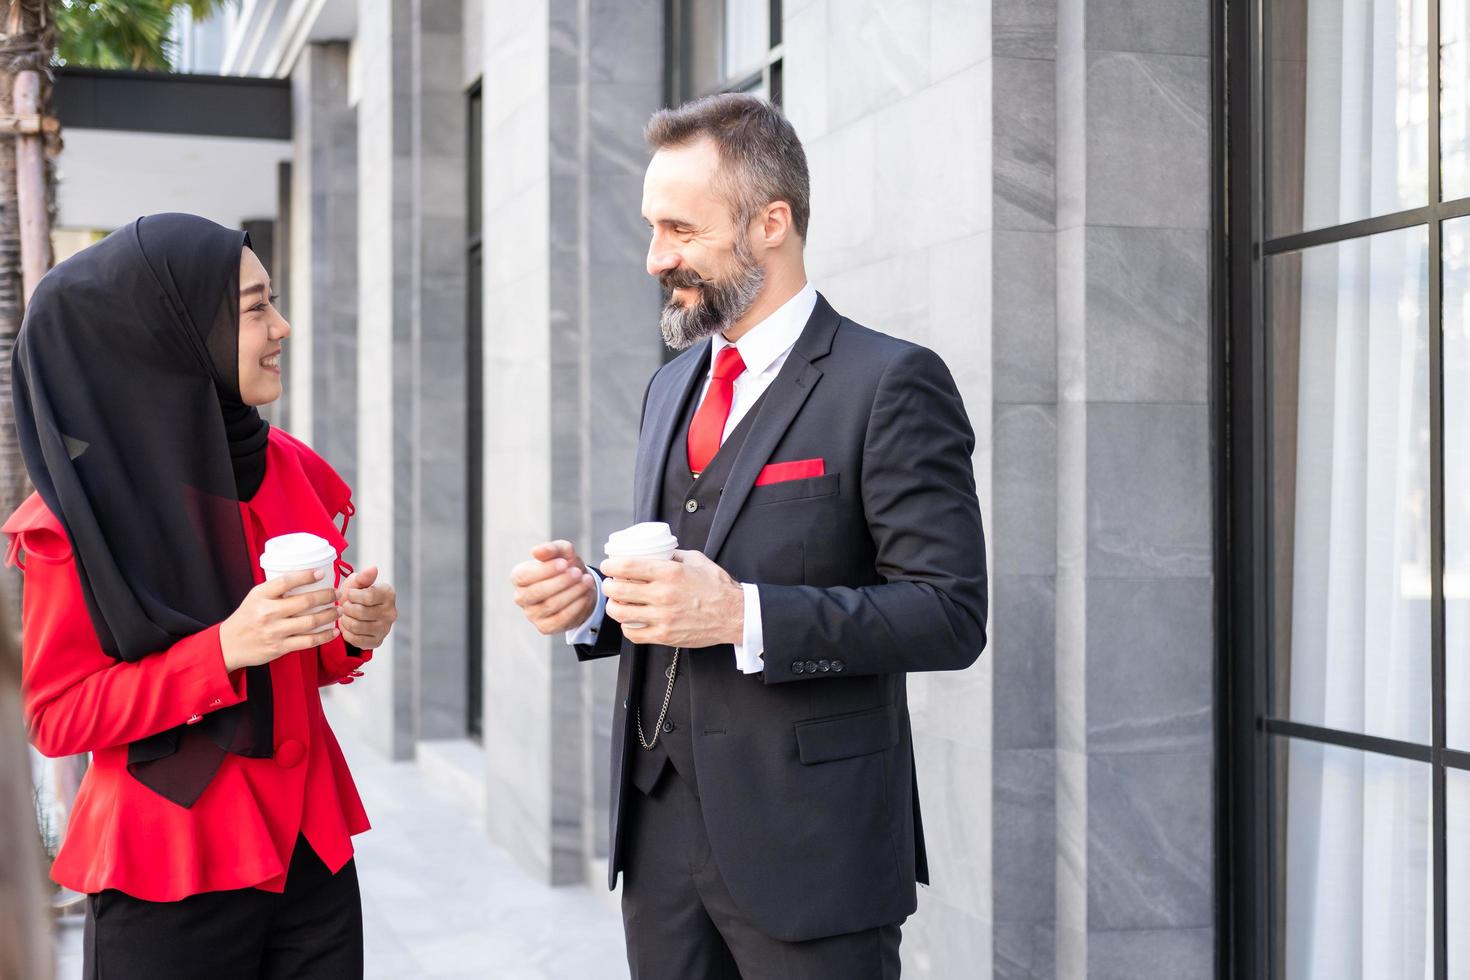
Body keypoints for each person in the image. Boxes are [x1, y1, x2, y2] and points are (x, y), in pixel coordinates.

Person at [511, 94, 988, 979]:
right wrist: (595, 604)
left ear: (771, 223)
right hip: (659, 840)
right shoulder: (672, 387)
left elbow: (949, 614)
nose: (657, 257)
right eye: (654, 228)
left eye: (681, 230)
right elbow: (686, 563)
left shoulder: (891, 383)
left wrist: (742, 615)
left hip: (814, 849)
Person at [5, 213, 398, 979]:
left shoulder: (284, 465)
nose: (282, 327)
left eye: (272, 301)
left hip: (309, 856)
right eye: (255, 308)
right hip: (169, 868)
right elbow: (55, 716)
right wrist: (221, 650)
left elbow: (305, 657)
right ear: (173, 333)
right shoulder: (78, 517)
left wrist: (351, 630)